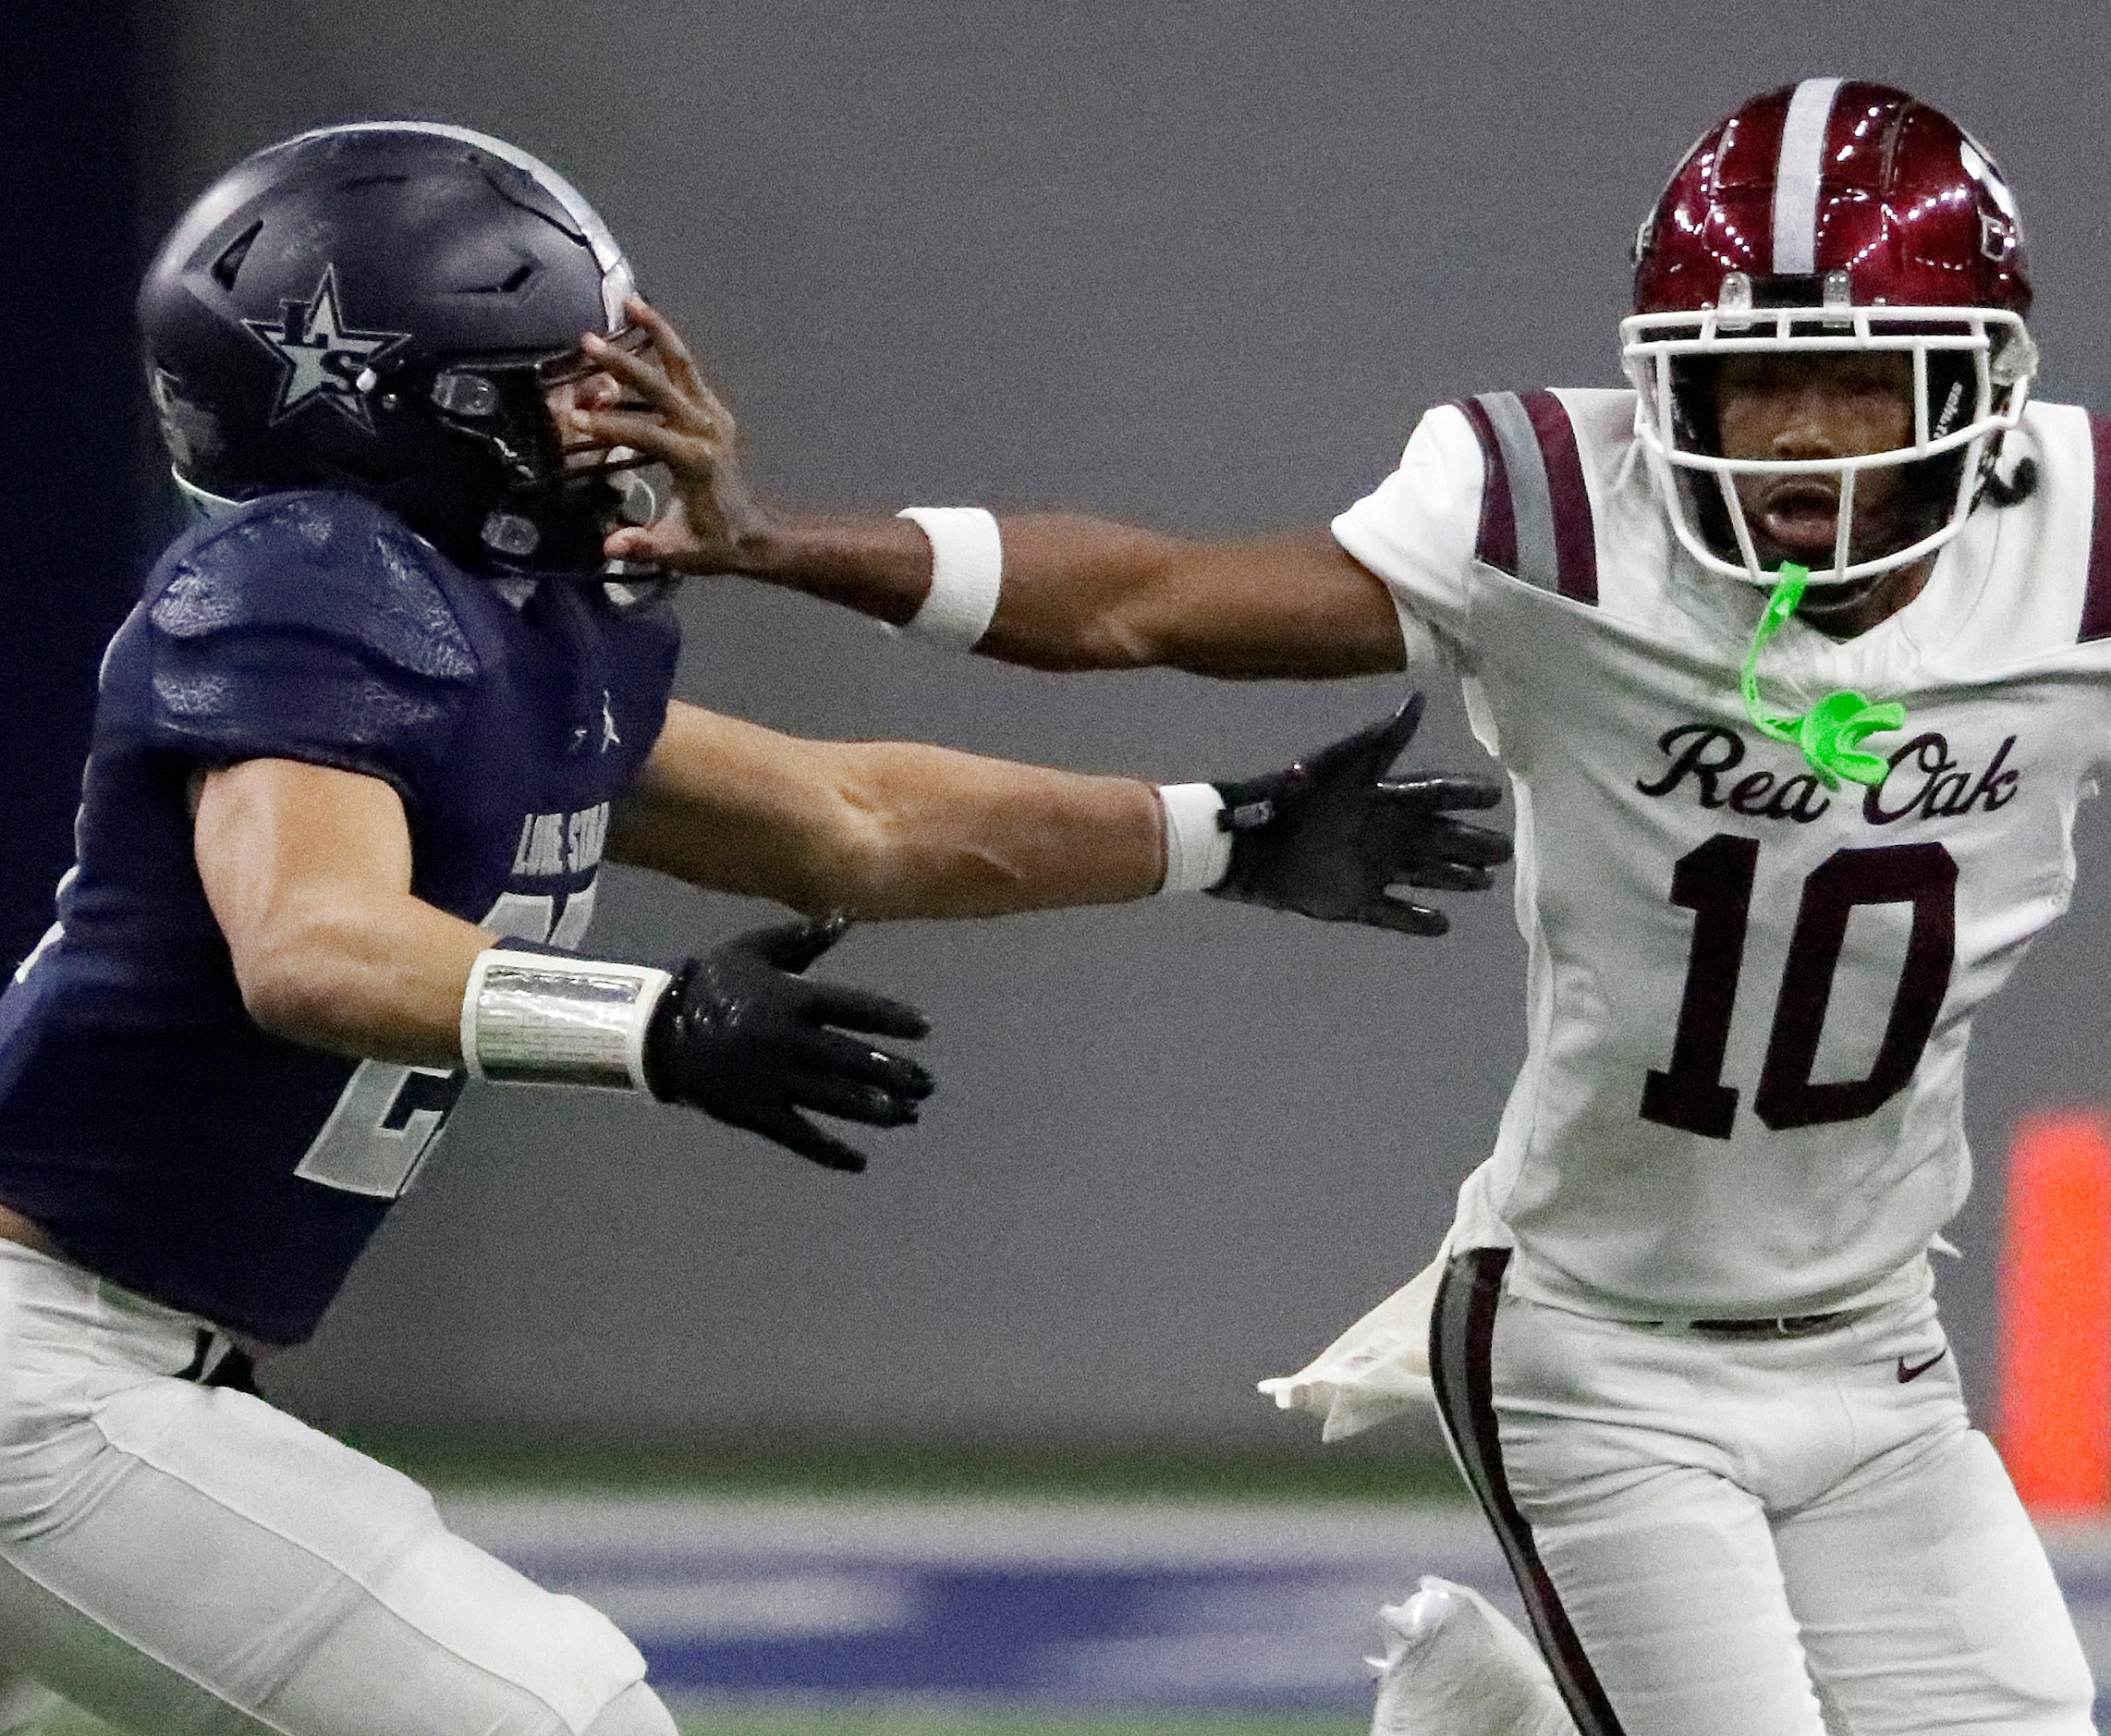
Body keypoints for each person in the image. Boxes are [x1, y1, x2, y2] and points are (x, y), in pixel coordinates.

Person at [580, 80, 2111, 1735]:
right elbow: (1145, 600)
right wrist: (778, 545)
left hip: (1881, 1346)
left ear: (1977, 389)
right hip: (1594, 1344)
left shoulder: (2108, 546)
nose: (1800, 442)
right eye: (1753, 380)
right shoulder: (1561, 522)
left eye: (1852, 377)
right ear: (1665, 383)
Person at [0, 122, 1509, 1736]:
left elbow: (848, 813)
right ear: (383, 407)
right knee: (560, 1715)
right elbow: (310, 942)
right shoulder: (312, 581)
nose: (619, 413)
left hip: (128, 1367)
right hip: (49, 1380)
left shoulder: (503, 630)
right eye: (551, 379)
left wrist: (1220, 835)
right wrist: (647, 1024)